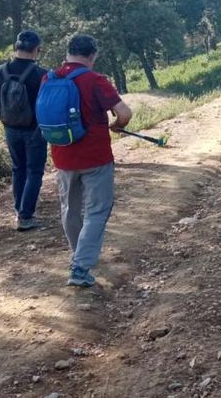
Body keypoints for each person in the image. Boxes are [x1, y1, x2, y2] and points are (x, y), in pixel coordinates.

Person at [40, 34, 132, 287]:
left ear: (68, 52)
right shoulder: (95, 80)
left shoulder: (49, 78)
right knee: (97, 210)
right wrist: (117, 124)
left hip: (62, 155)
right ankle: (80, 267)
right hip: (96, 156)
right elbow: (124, 112)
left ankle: (79, 253)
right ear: (92, 55)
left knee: (69, 208)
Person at [0, 30, 48, 231]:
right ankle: (25, 216)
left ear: (16, 47)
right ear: (36, 50)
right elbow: (47, 105)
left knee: (18, 169)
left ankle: (19, 210)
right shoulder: (41, 74)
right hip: (35, 129)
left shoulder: (1, 71)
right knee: (34, 170)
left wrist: (6, 121)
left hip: (11, 129)